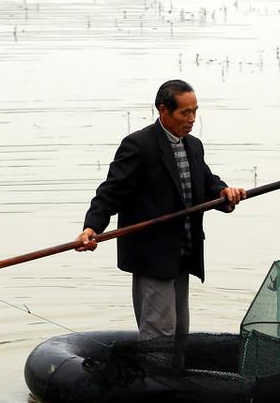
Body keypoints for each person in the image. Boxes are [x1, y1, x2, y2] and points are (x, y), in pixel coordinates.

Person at [76, 79, 246, 346]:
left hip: (183, 252)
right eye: (184, 113)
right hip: (152, 255)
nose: (191, 119)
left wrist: (225, 193)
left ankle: (174, 381)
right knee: (160, 333)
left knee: (180, 331)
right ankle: (155, 383)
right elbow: (111, 192)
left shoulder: (193, 145)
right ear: (163, 111)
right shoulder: (139, 145)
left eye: (195, 111)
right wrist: (92, 228)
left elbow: (205, 181)